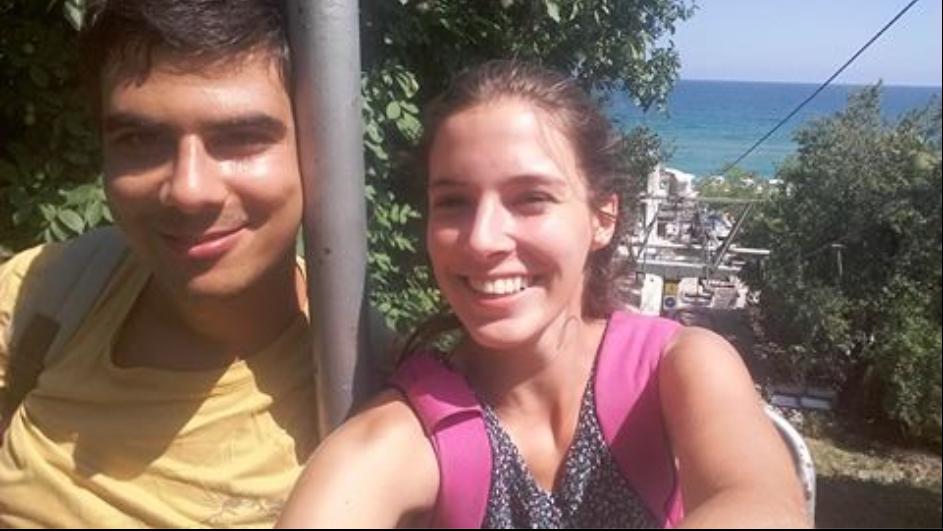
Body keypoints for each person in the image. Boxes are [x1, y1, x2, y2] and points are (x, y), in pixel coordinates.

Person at [277, 60, 809, 528]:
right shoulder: (410, 432)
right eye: (454, 202)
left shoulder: (677, 366)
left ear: (603, 217)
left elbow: (761, 505)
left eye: (531, 198)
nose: (482, 239)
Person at [0, 0, 348, 526]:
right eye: (140, 140)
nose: (188, 191)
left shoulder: (375, 403)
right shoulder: (45, 292)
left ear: (320, 150)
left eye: (242, 138)